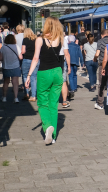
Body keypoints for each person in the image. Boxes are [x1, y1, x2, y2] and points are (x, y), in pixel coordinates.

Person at [25, 17, 66, 145]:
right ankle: (53, 137)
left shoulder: (40, 39)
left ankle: (47, 126)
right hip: (58, 72)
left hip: (44, 73)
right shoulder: (60, 38)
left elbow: (36, 58)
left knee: (42, 103)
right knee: (53, 104)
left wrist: (29, 75)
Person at [1, 34, 23, 103]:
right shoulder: (16, 46)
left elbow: (0, 58)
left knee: (6, 82)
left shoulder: (3, 47)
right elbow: (21, 57)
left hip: (6, 66)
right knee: (15, 83)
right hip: (15, 67)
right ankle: (16, 98)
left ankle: (4, 97)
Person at [94, 29, 108, 110]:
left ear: (102, 35)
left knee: (101, 84)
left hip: (102, 65)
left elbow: (97, 53)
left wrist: (94, 59)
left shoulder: (100, 41)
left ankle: (100, 103)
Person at [21, 28, 38, 102]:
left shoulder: (25, 39)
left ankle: (26, 93)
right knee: (33, 78)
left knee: (25, 76)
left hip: (27, 59)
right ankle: (33, 96)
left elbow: (23, 51)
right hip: (35, 60)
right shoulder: (36, 39)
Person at [67, 35, 83, 100]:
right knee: (74, 75)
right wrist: (82, 62)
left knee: (70, 76)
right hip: (76, 62)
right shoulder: (77, 46)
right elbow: (80, 55)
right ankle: (75, 87)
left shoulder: (67, 46)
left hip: (69, 62)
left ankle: (72, 88)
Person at [59, 37, 72, 108]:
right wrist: (69, 66)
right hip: (61, 61)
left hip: (50, 62)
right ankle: (64, 101)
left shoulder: (47, 38)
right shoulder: (62, 39)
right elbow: (66, 54)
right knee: (63, 81)